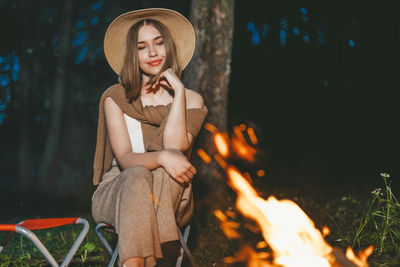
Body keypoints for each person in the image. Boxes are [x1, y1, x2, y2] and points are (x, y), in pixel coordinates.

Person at [91, 8, 207, 267]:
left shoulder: (192, 99)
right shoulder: (116, 97)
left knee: (166, 171)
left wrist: (178, 92)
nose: (153, 53)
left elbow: (176, 148)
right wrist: (163, 157)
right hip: (118, 191)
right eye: (142, 47)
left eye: (159, 42)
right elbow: (126, 159)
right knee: (137, 174)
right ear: (133, 54)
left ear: (170, 46)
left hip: (170, 192)